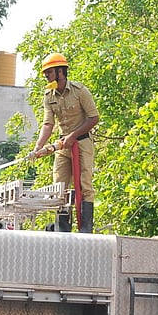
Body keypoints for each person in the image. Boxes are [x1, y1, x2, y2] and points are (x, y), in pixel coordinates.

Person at [32, 53, 100, 233]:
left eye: (49, 71)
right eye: (45, 72)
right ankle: (63, 228)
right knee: (59, 186)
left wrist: (74, 136)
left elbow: (94, 118)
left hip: (82, 143)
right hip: (63, 146)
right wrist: (38, 147)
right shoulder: (48, 95)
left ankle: (86, 229)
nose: (46, 75)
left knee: (85, 184)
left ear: (60, 71)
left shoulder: (79, 91)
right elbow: (48, 124)